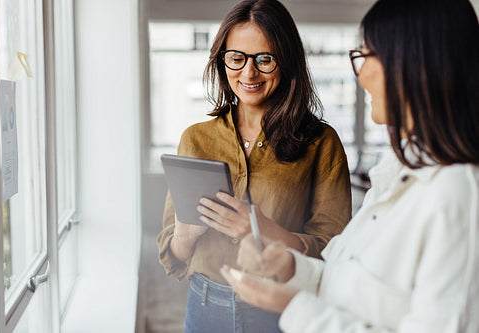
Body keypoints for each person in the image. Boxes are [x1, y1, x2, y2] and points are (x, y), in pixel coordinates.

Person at [220, 0, 479, 331]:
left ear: (416, 65)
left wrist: (295, 308)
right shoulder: (394, 176)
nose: (361, 74)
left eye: (368, 55)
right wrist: (291, 268)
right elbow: (346, 278)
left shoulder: (458, 195)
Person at [156, 0, 352, 332]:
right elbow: (171, 256)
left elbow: (336, 252)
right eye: (237, 58)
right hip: (204, 306)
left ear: (287, 62)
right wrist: (185, 237)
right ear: (222, 61)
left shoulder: (321, 143)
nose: (248, 73)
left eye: (264, 59)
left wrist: (260, 230)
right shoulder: (195, 139)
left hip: (281, 309)